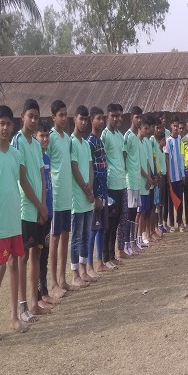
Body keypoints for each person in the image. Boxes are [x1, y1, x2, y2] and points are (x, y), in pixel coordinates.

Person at [0, 105, 28, 341]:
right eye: (1, 123)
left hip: (14, 219)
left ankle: (14, 317)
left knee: (14, 264)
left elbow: (21, 182)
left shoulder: (15, 155)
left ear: (13, 126)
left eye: (8, 124)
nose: (5, 128)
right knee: (0, 268)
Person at [11, 99, 49, 322]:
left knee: (37, 253)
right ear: (22, 116)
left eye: (36, 116)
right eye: (30, 116)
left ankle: (34, 303)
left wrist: (43, 207)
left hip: (39, 210)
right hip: (26, 209)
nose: (33, 120)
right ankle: (22, 305)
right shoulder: (18, 141)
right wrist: (38, 206)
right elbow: (23, 179)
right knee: (23, 257)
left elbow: (42, 177)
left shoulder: (35, 144)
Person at [48, 99, 76, 296]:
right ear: (53, 117)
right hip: (56, 197)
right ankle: (53, 282)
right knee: (55, 238)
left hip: (67, 197)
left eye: (66, 114)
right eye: (61, 115)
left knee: (66, 236)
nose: (64, 118)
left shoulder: (67, 138)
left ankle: (63, 279)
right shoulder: (49, 138)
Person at [70, 105, 95, 287]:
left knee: (86, 235)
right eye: (81, 119)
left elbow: (90, 167)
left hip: (88, 196)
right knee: (76, 237)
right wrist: (87, 190)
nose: (84, 122)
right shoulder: (71, 142)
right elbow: (74, 168)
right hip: (78, 198)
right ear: (75, 119)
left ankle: (84, 270)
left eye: (86, 119)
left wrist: (91, 185)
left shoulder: (86, 144)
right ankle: (74, 274)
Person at [35, 120, 59, 309]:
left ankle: (44, 292)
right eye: (41, 136)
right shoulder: (35, 158)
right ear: (35, 137)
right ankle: (36, 297)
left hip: (49, 211)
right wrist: (40, 209)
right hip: (39, 214)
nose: (45, 139)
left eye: (46, 136)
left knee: (44, 255)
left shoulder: (47, 158)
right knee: (36, 256)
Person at [101, 103, 127, 264]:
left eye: (118, 116)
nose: (117, 119)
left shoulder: (119, 135)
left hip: (121, 183)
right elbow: (102, 160)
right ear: (107, 116)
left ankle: (112, 254)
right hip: (110, 184)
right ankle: (106, 257)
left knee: (117, 220)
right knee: (109, 222)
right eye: (113, 116)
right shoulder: (104, 135)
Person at [87, 106, 108, 276]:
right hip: (96, 194)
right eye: (98, 118)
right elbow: (91, 171)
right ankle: (89, 265)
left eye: (102, 118)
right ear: (91, 120)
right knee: (93, 229)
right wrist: (95, 196)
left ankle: (100, 261)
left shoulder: (100, 141)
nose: (101, 121)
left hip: (103, 190)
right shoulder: (90, 142)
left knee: (102, 227)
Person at [123, 106, 143, 253]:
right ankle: (126, 243)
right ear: (131, 118)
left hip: (137, 181)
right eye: (137, 117)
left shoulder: (136, 137)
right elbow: (124, 157)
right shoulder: (128, 136)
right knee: (129, 214)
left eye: (140, 117)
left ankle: (133, 242)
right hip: (129, 181)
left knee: (135, 212)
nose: (139, 120)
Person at [136, 115, 156, 247]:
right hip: (139, 182)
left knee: (144, 211)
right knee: (138, 213)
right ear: (140, 127)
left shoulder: (144, 142)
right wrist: (147, 178)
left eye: (149, 128)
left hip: (146, 183)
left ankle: (141, 236)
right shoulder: (136, 142)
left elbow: (148, 162)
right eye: (145, 128)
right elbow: (137, 164)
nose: (147, 131)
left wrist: (150, 178)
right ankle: (137, 238)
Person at [166, 116, 185, 232]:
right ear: (171, 126)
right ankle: (172, 223)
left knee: (180, 200)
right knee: (171, 201)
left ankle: (180, 222)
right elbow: (167, 159)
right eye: (174, 125)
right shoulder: (168, 141)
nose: (176, 128)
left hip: (179, 176)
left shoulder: (180, 139)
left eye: (177, 126)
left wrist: (183, 174)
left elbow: (181, 157)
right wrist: (168, 175)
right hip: (171, 177)